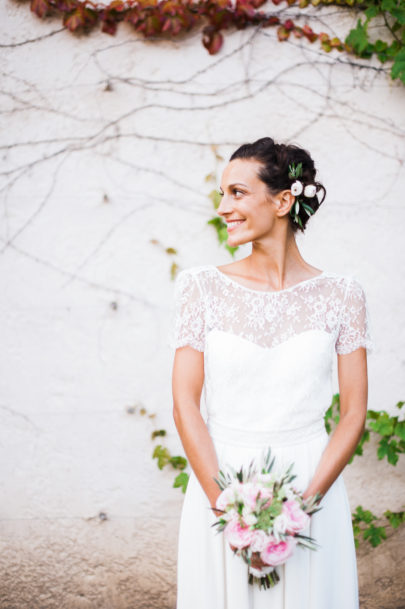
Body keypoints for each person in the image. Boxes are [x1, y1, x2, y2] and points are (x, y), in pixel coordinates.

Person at [169, 137, 374, 609]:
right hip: (220, 484)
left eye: (237, 193)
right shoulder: (201, 288)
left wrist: (301, 507)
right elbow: (184, 405)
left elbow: (353, 414)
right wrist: (230, 510)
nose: (224, 208)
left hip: (310, 484)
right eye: (223, 194)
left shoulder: (343, 295)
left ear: (283, 201)